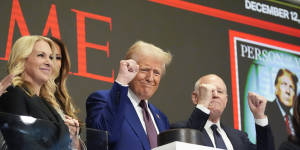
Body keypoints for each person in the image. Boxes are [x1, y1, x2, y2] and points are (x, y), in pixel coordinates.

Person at [86, 41, 207, 150]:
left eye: (156, 73)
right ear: (130, 69)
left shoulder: (161, 118)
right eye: (144, 70)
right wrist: (122, 81)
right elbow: (103, 140)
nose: (150, 78)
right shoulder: (103, 100)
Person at [0, 35, 70, 149]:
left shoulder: (48, 102)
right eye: (41, 55)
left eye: (51, 57)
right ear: (23, 59)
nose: (49, 62)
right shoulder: (14, 93)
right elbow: (22, 141)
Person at [172, 74, 274, 150]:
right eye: (209, 91)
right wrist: (203, 105)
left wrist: (259, 116)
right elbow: (185, 145)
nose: (215, 95)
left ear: (226, 100)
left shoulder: (239, 137)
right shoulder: (179, 130)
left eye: (220, 91)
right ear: (195, 97)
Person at [48, 36, 85, 150]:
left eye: (58, 58)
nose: (52, 62)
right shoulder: (23, 94)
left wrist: (74, 139)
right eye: (48, 56)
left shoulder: (63, 101)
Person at [266, 68, 298, 146]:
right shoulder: (265, 109)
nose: (288, 91)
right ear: (276, 88)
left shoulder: (295, 121)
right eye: (284, 84)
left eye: (291, 87)